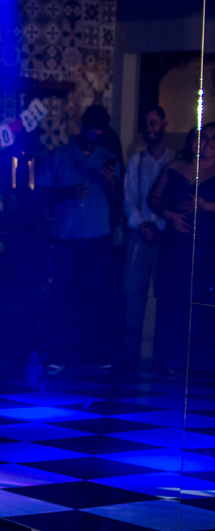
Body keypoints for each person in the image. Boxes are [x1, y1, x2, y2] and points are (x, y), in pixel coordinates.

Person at [41, 104, 124, 371]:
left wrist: (111, 182)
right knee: (63, 294)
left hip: (98, 237)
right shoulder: (60, 156)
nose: (94, 138)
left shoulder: (108, 158)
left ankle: (93, 353)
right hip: (68, 237)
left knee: (96, 297)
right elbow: (41, 194)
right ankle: (58, 354)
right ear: (82, 127)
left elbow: (118, 202)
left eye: (99, 134)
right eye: (91, 132)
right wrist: (68, 193)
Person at [149, 123, 215, 372]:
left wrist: (205, 206)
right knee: (174, 300)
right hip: (176, 246)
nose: (207, 142)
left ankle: (200, 365)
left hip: (207, 247)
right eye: (204, 137)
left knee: (203, 302)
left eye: (213, 138)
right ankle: (169, 361)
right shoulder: (174, 166)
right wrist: (170, 215)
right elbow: (153, 198)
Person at [121, 106, 173, 367]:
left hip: (166, 236)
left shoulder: (175, 160)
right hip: (140, 234)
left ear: (164, 123)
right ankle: (130, 355)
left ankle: (163, 356)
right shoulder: (136, 161)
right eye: (146, 124)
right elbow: (128, 198)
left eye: (154, 123)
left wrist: (159, 225)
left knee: (167, 295)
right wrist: (144, 225)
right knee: (134, 296)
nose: (150, 128)